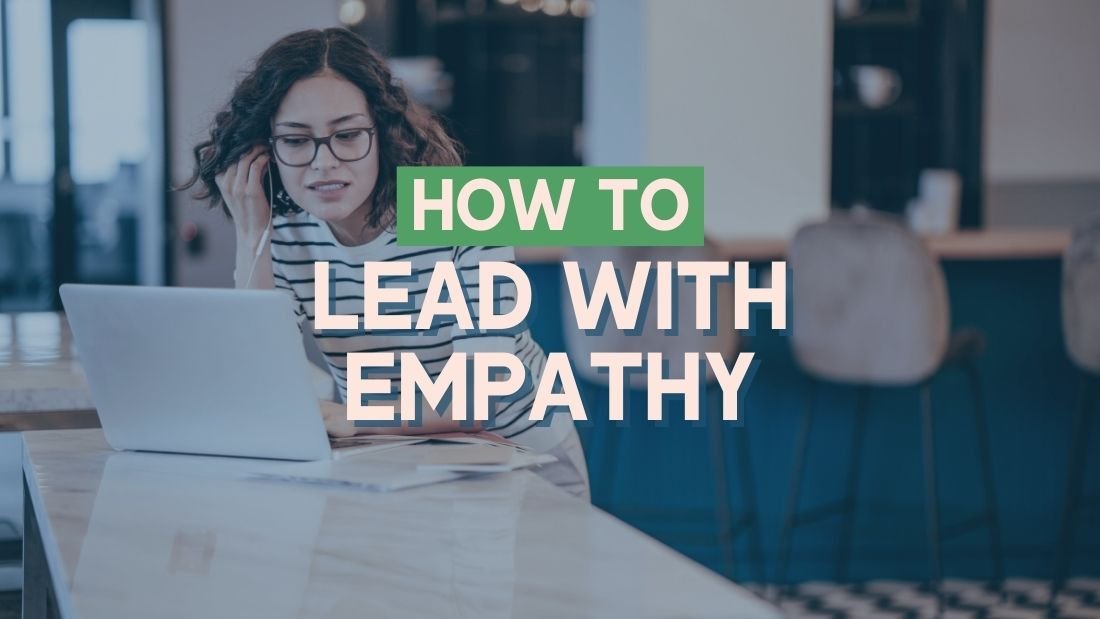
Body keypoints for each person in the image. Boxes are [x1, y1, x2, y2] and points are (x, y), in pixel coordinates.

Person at [181, 28, 588, 500]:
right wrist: (253, 235)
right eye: (296, 141)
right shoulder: (286, 235)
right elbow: (258, 387)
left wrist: (349, 417)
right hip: (393, 460)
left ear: (384, 131)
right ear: (264, 151)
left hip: (521, 463)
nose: (323, 163)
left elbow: (479, 397)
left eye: (347, 135)